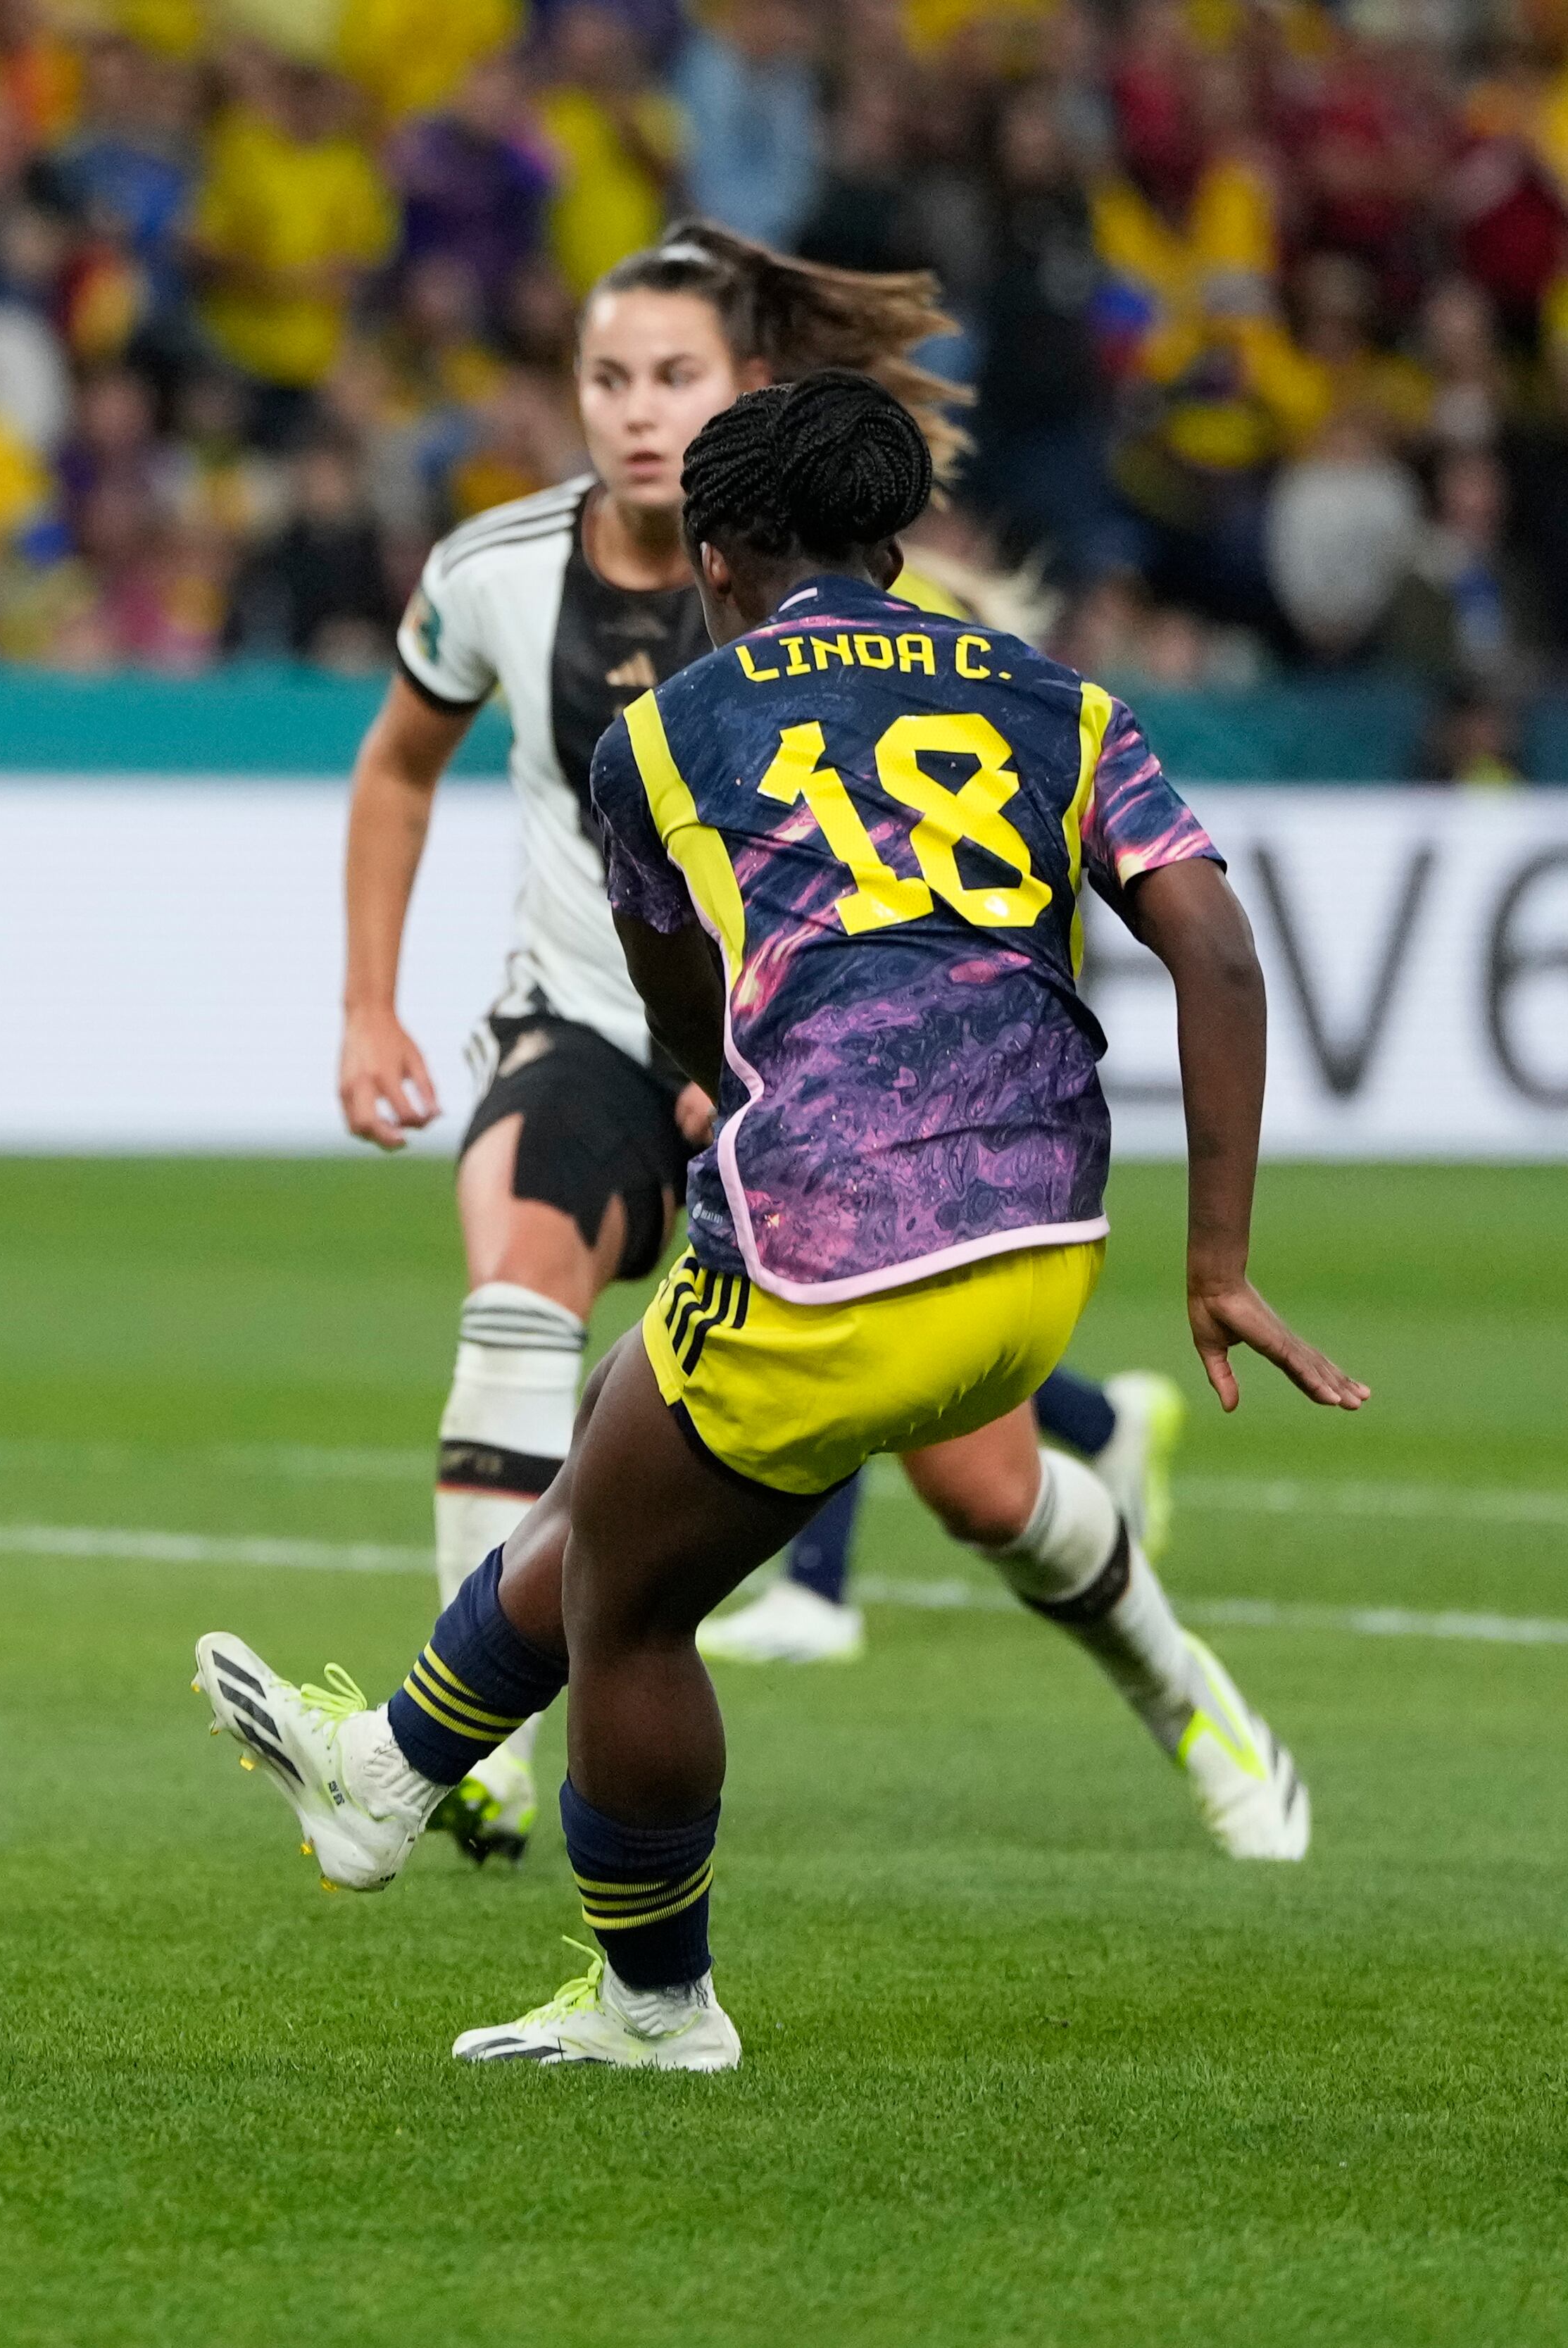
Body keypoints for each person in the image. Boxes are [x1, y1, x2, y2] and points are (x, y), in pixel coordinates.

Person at [201, 374, 1365, 2068]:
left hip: (832, 1243)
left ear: (719, 555)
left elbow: (694, 1017)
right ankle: (385, 1770)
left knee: (632, 1605)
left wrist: (749, 1094)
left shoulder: (664, 731)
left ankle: (653, 2001)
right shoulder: (1062, 702)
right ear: (894, 549)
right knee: (619, 1439)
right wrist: (1219, 1261)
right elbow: (1221, 951)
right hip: (1041, 1249)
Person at [333, 223, 1184, 1849]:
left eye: (674, 378)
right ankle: (465, 1767)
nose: (635, 411)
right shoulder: (493, 570)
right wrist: (369, 1001)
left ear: (744, 403)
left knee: (971, 1483)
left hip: (816, 1070)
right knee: (524, 1301)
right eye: (605, 377)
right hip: (600, 1022)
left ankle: (1156, 1631)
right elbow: (396, 763)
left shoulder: (880, 613)